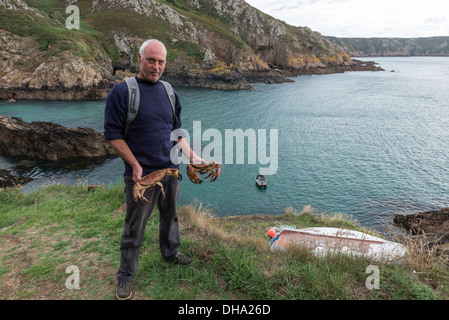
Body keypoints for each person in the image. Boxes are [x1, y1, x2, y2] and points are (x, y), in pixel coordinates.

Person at [104, 39, 203, 300]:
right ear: (139, 58)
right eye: (151, 60)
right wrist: (135, 165)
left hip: (171, 171)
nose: (156, 66)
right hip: (142, 177)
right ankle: (125, 277)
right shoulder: (123, 92)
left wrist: (194, 157)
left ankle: (170, 252)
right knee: (135, 226)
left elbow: (177, 133)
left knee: (170, 216)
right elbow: (113, 135)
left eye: (161, 62)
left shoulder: (170, 92)